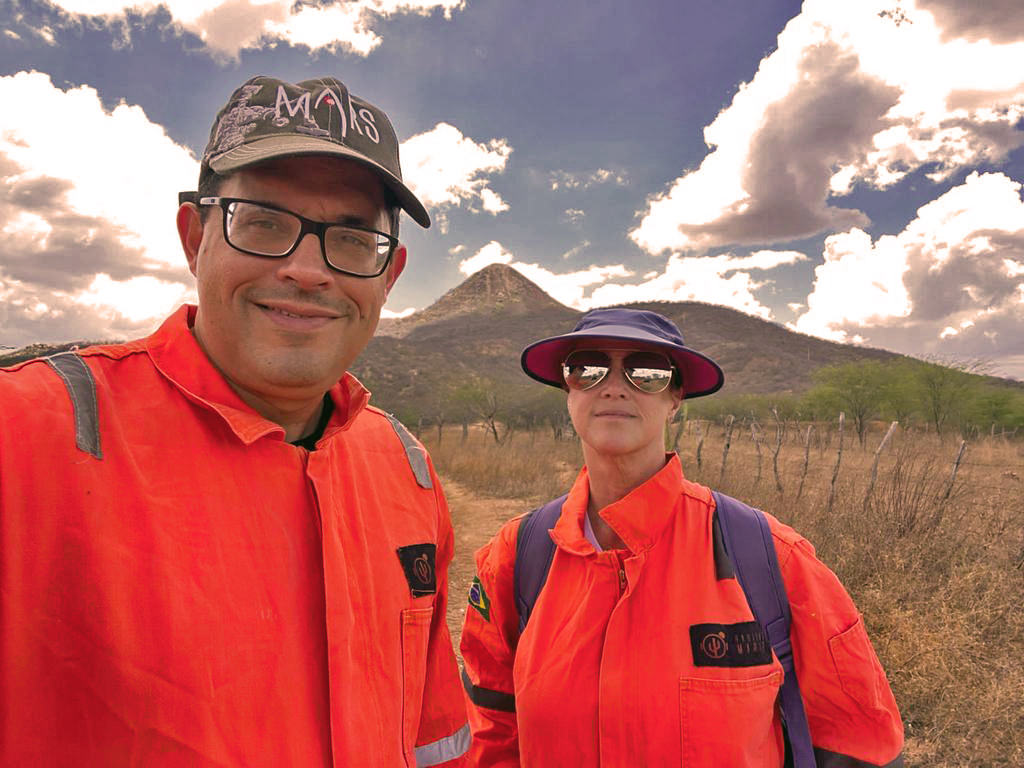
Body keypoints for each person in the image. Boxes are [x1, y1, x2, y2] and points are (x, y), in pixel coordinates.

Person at [0, 75, 469, 766]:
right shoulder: (29, 433)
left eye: (351, 239)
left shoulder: (405, 467)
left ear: (389, 275)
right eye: (264, 223)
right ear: (196, 238)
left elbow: (433, 738)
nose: (309, 271)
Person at [459, 308, 904, 767]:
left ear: (675, 398)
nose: (613, 386)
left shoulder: (771, 557)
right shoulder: (516, 558)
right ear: (567, 392)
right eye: (586, 369)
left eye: (646, 373)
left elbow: (859, 742)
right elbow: (491, 732)